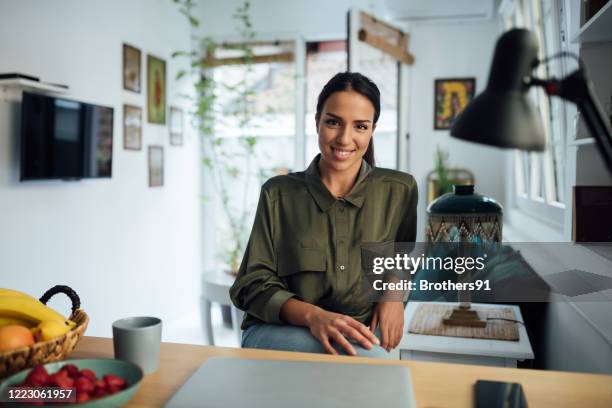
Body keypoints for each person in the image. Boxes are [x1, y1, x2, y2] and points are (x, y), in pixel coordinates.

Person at [230, 72, 418, 358]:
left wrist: (393, 295)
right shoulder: (278, 194)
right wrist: (313, 316)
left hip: (360, 329)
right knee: (373, 361)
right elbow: (250, 283)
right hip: (280, 330)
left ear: (372, 130)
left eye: (360, 126)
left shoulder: (400, 190)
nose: (345, 138)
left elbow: (401, 254)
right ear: (316, 121)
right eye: (333, 122)